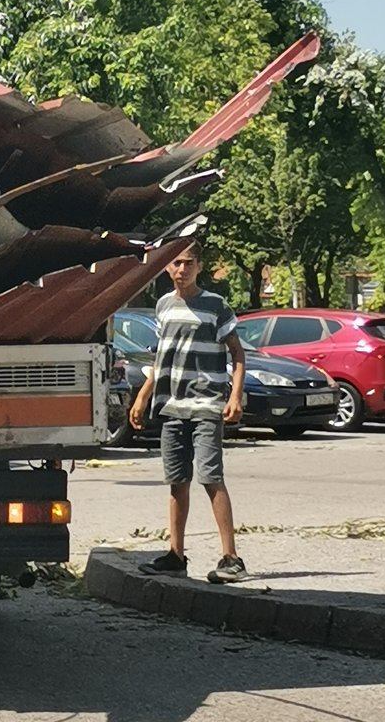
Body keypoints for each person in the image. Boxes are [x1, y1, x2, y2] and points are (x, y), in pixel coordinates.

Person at [128, 240, 248, 583]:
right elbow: (161, 357)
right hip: (172, 405)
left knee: (211, 476)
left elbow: (237, 354)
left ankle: (231, 557)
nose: (181, 269)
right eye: (176, 263)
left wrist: (234, 396)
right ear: (167, 267)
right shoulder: (163, 306)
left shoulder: (215, 306)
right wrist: (142, 396)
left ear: (200, 267)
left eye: (188, 263)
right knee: (176, 482)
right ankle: (175, 555)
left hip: (207, 403)